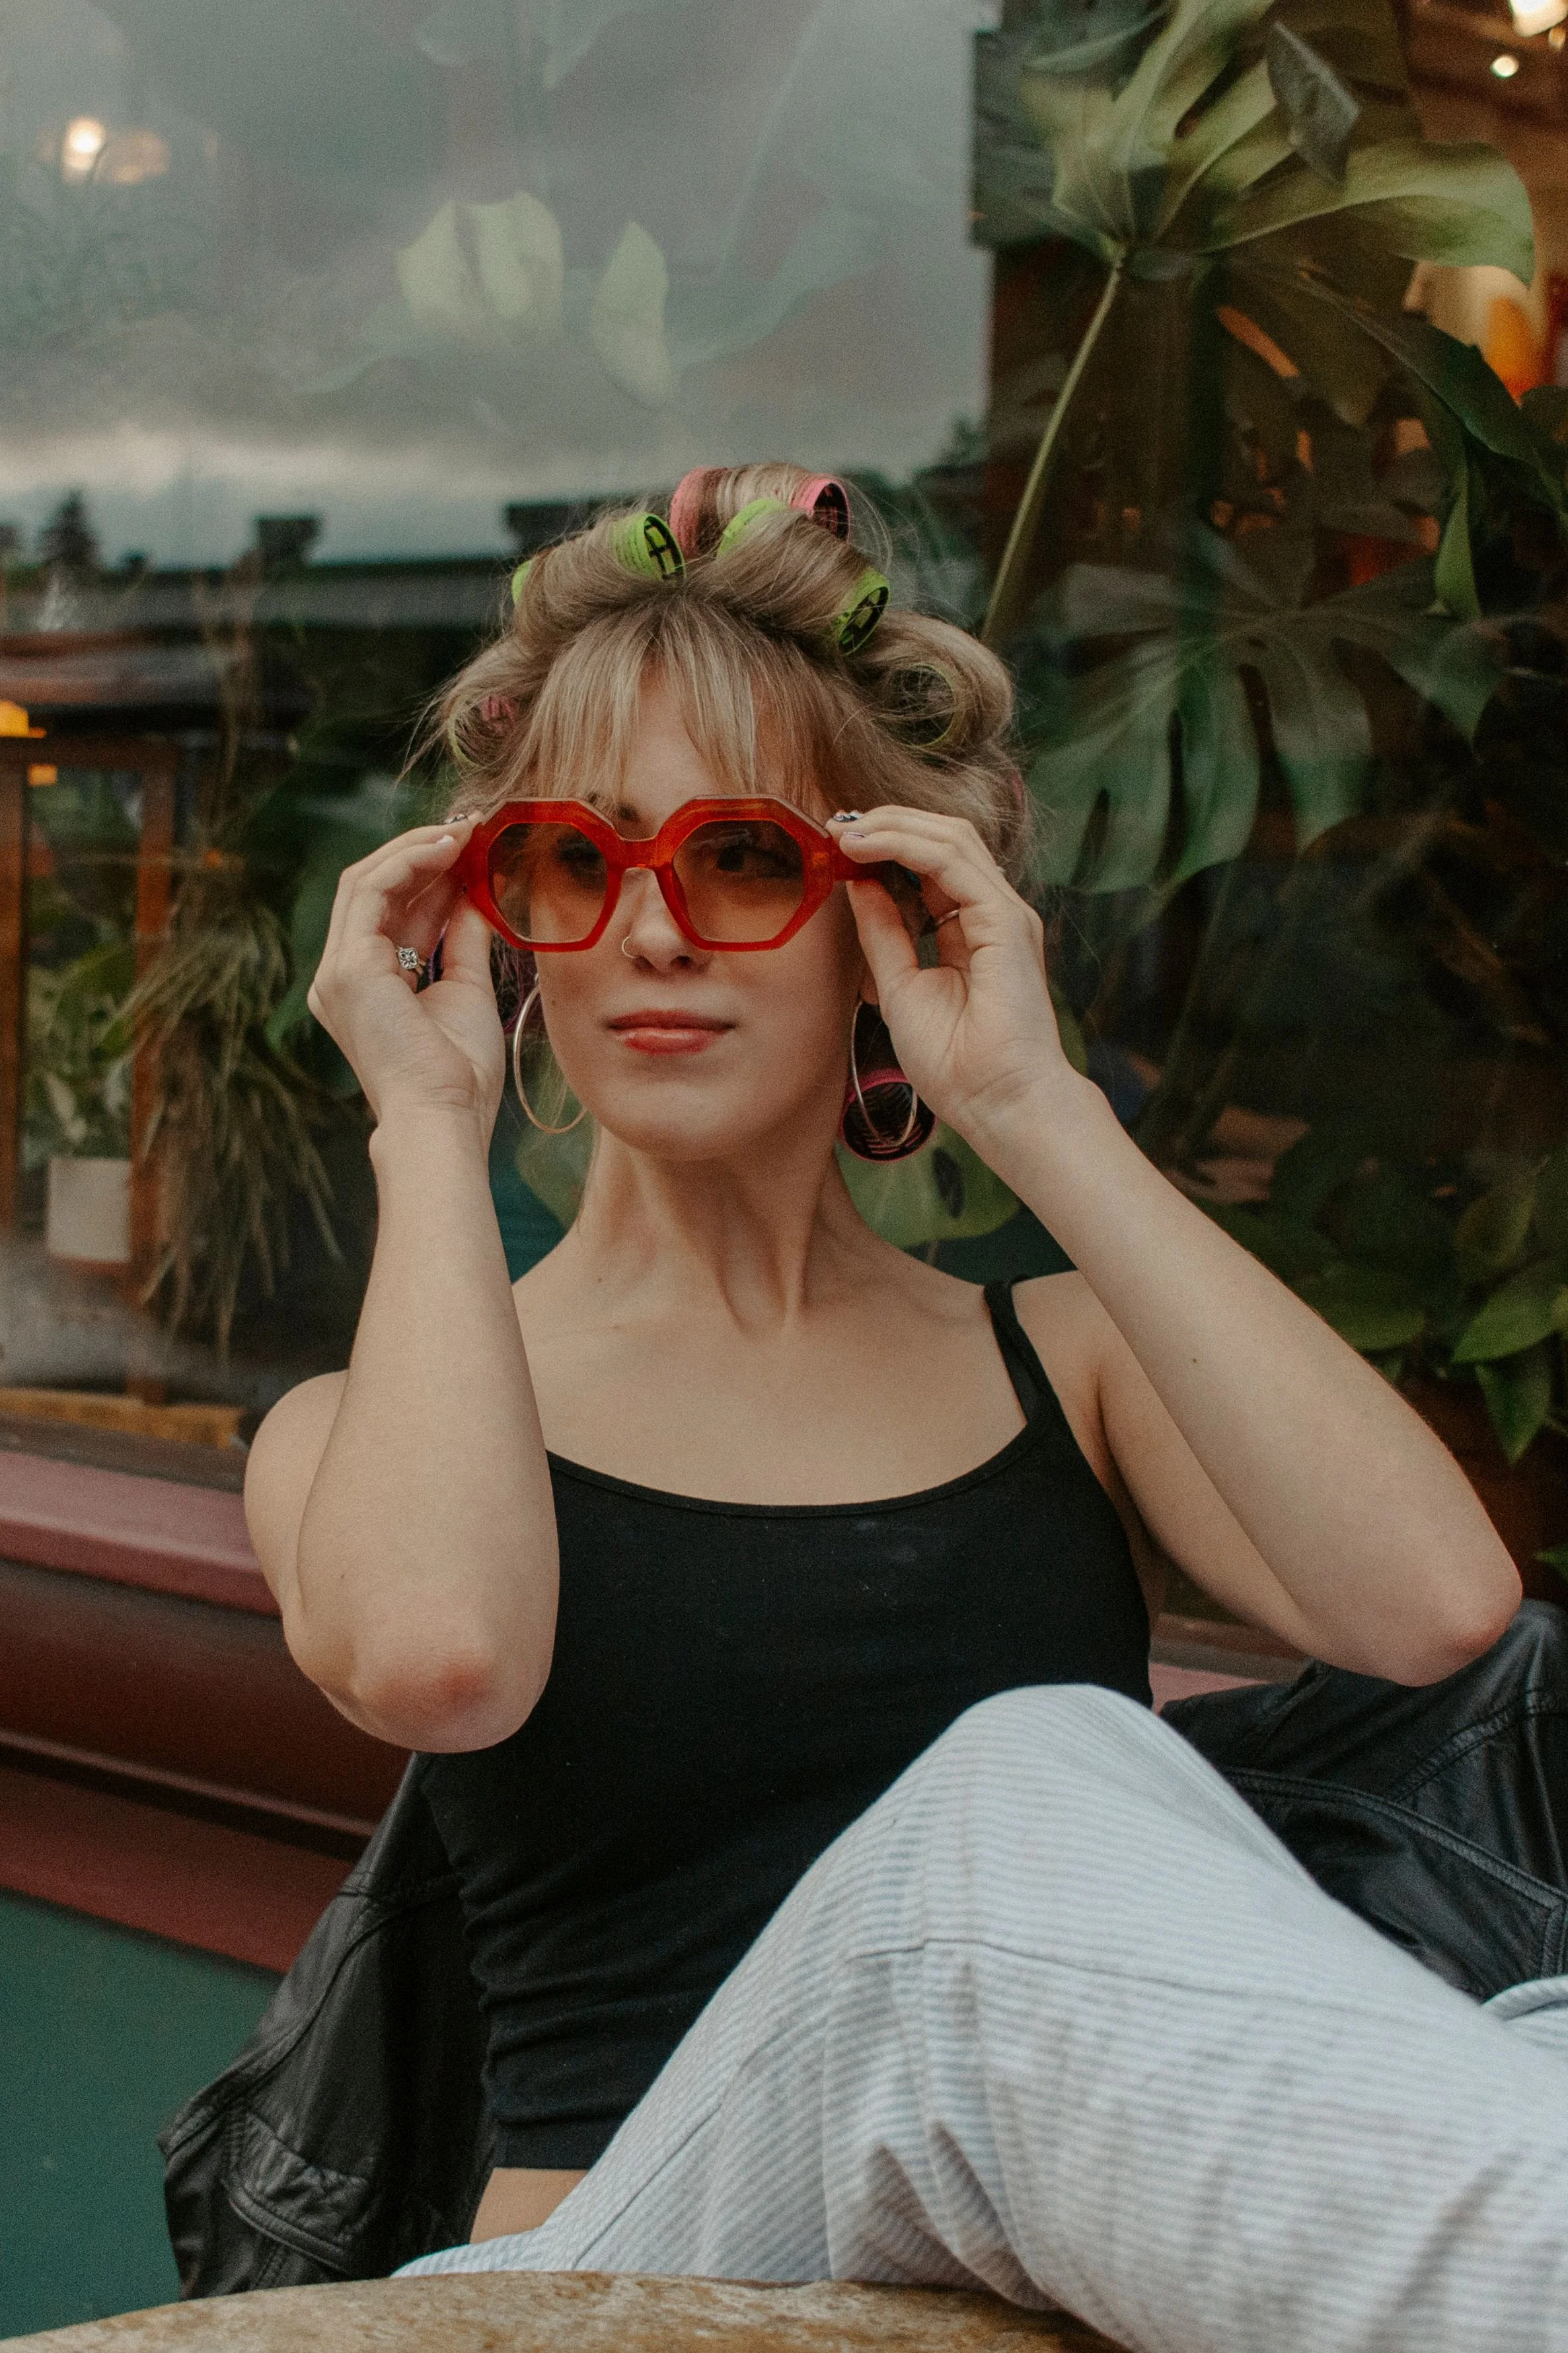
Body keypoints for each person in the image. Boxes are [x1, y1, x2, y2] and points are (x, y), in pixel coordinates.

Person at [243, 465, 1566, 2351]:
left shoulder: (1060, 1360)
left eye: (746, 858)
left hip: (1027, 2272)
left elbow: (1430, 1611)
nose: (655, 933)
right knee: (1024, 1788)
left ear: (881, 913)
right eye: (572, 861)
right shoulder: (358, 1427)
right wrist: (428, 1123)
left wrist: (1032, 1104)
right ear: (500, 917)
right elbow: (442, 1659)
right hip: (626, 2280)